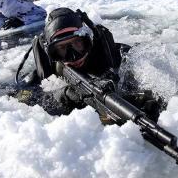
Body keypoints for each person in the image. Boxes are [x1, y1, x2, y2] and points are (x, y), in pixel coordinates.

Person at [15, 8, 164, 123]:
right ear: (51, 53)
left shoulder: (120, 55)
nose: (73, 56)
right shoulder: (46, 72)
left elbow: (156, 82)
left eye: (77, 43)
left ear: (89, 40)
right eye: (62, 49)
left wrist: (149, 99)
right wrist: (65, 96)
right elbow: (20, 96)